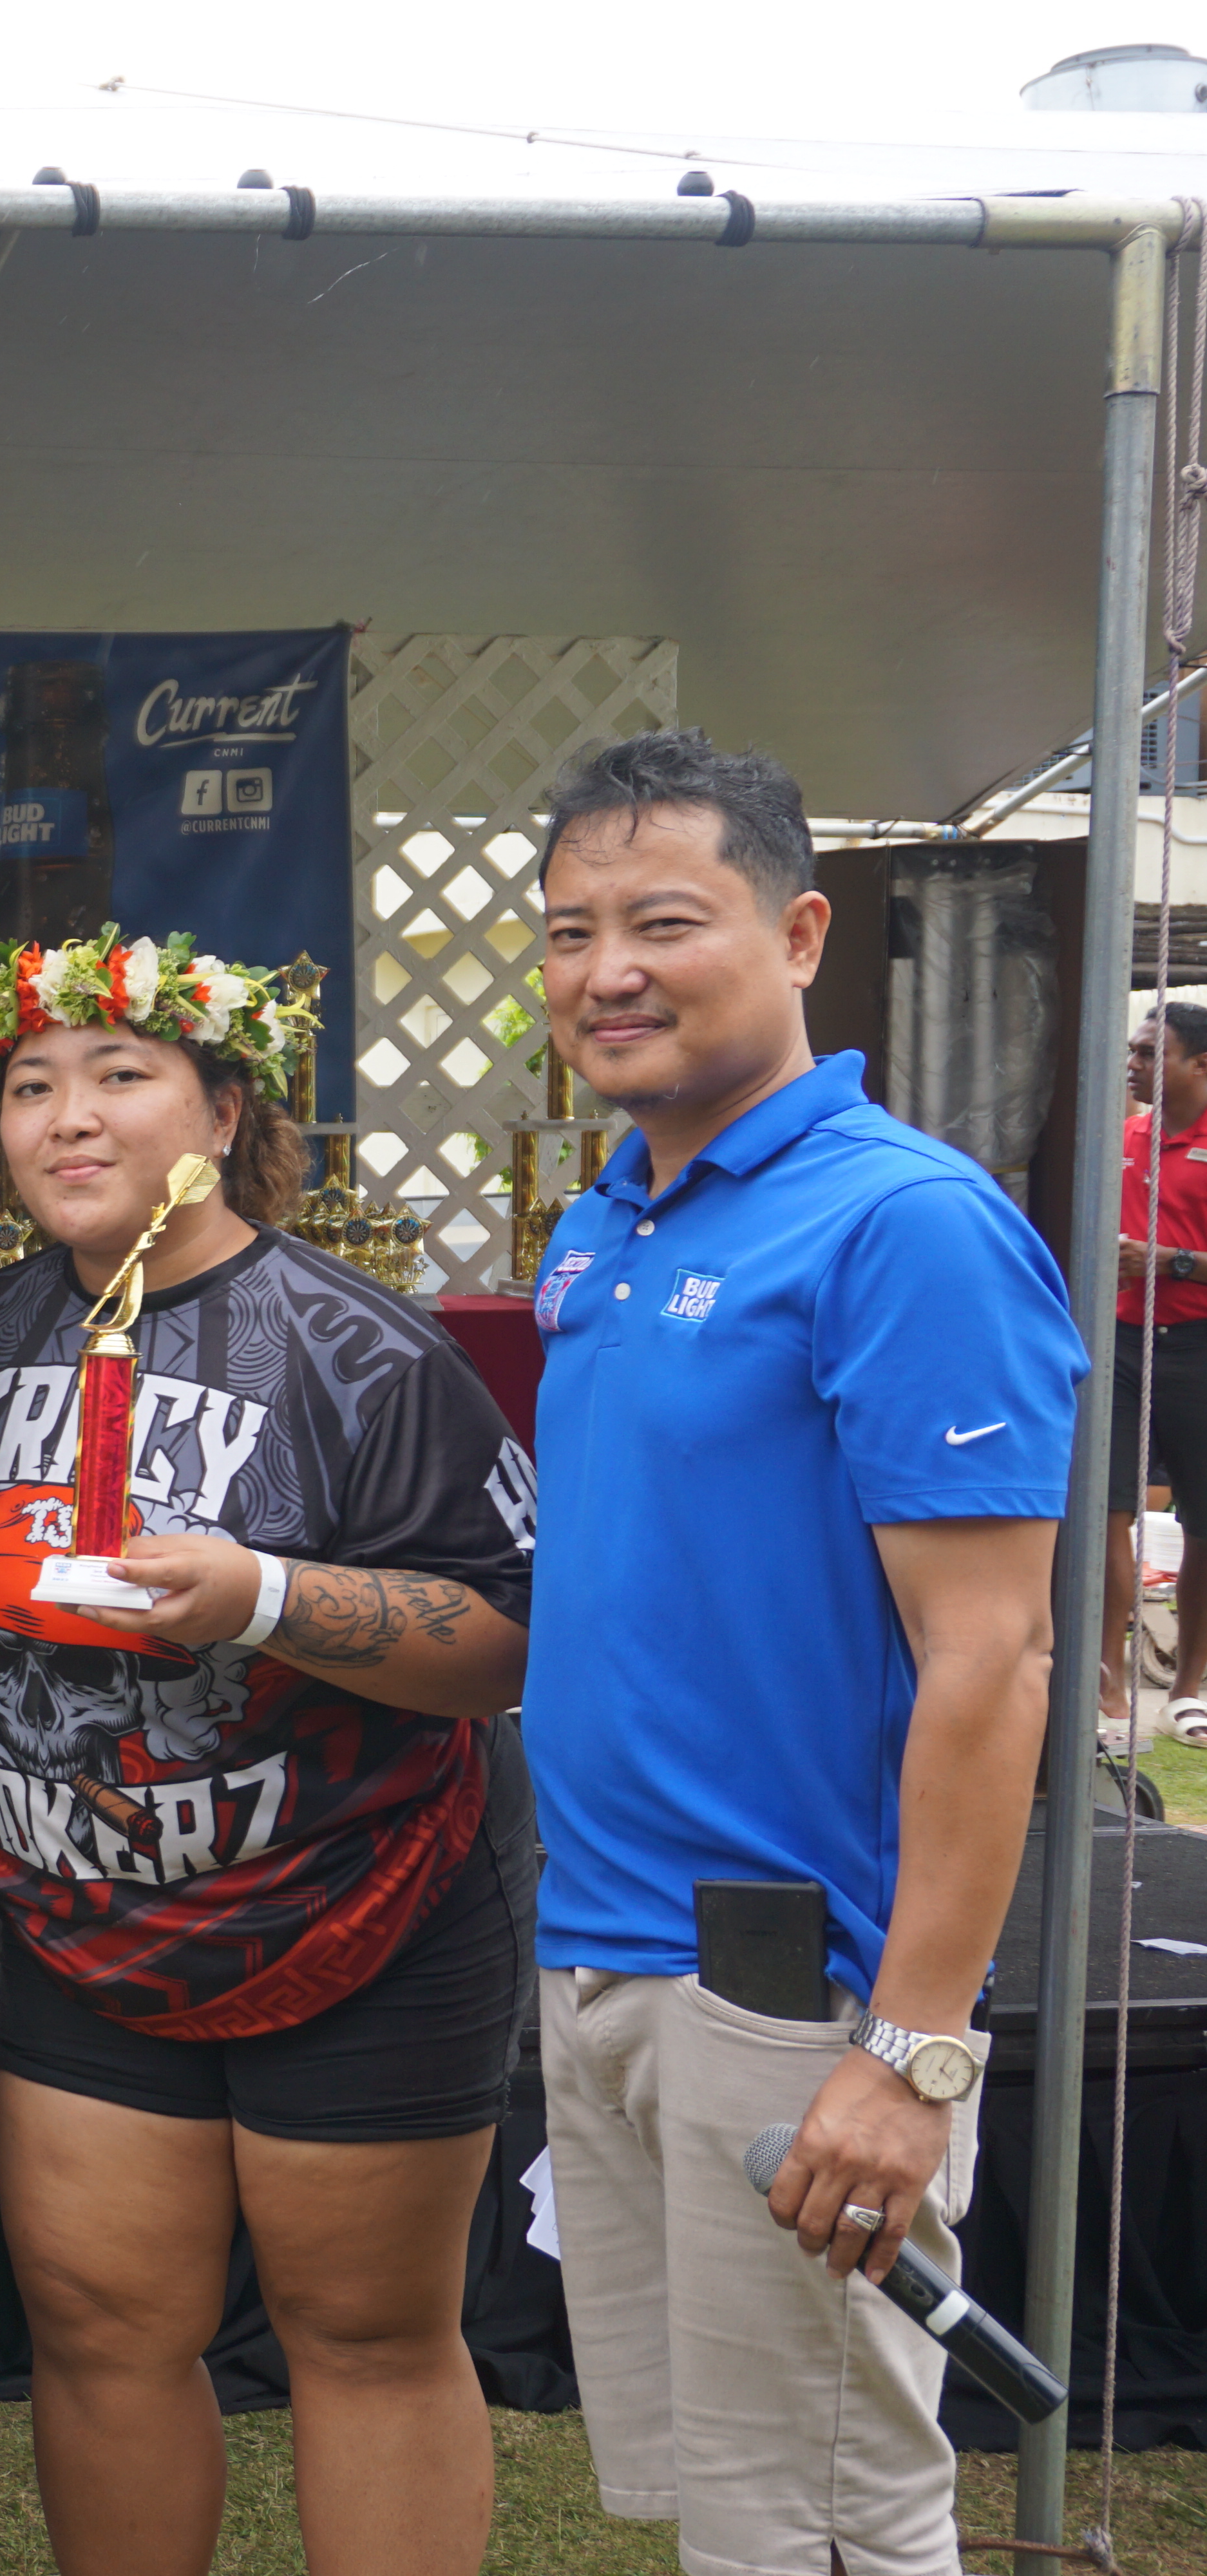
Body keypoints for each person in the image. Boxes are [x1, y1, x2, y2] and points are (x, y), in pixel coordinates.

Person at [0, 929, 537, 2576]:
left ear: (221, 1105)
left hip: (360, 1905)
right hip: (83, 1923)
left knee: (362, 2332)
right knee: (102, 2322)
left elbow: (502, 1643)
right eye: (31, 1085)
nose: (66, 1117)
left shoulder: (362, 1350)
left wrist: (265, 1594)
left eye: (120, 1074)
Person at [524, 729, 1078, 2576]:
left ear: (801, 930)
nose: (607, 970)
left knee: (833, 2523)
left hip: (801, 1994)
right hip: (611, 1962)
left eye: (663, 921)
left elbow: (997, 1662)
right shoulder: (605, 1221)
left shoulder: (905, 1225)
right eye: (567, 930)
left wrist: (909, 2054)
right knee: (734, 2512)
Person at [1108, 1002, 1207, 1747]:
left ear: (1198, 1064)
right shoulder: (1125, 1136)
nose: (1134, 1064)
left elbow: (1164, 1251)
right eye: (1134, 1051)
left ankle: (1187, 1688)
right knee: (1107, 1510)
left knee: (1198, 1520)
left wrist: (1167, 1261)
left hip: (1196, 1346)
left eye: (1149, 1053)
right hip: (1120, 1341)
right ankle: (1107, 1682)